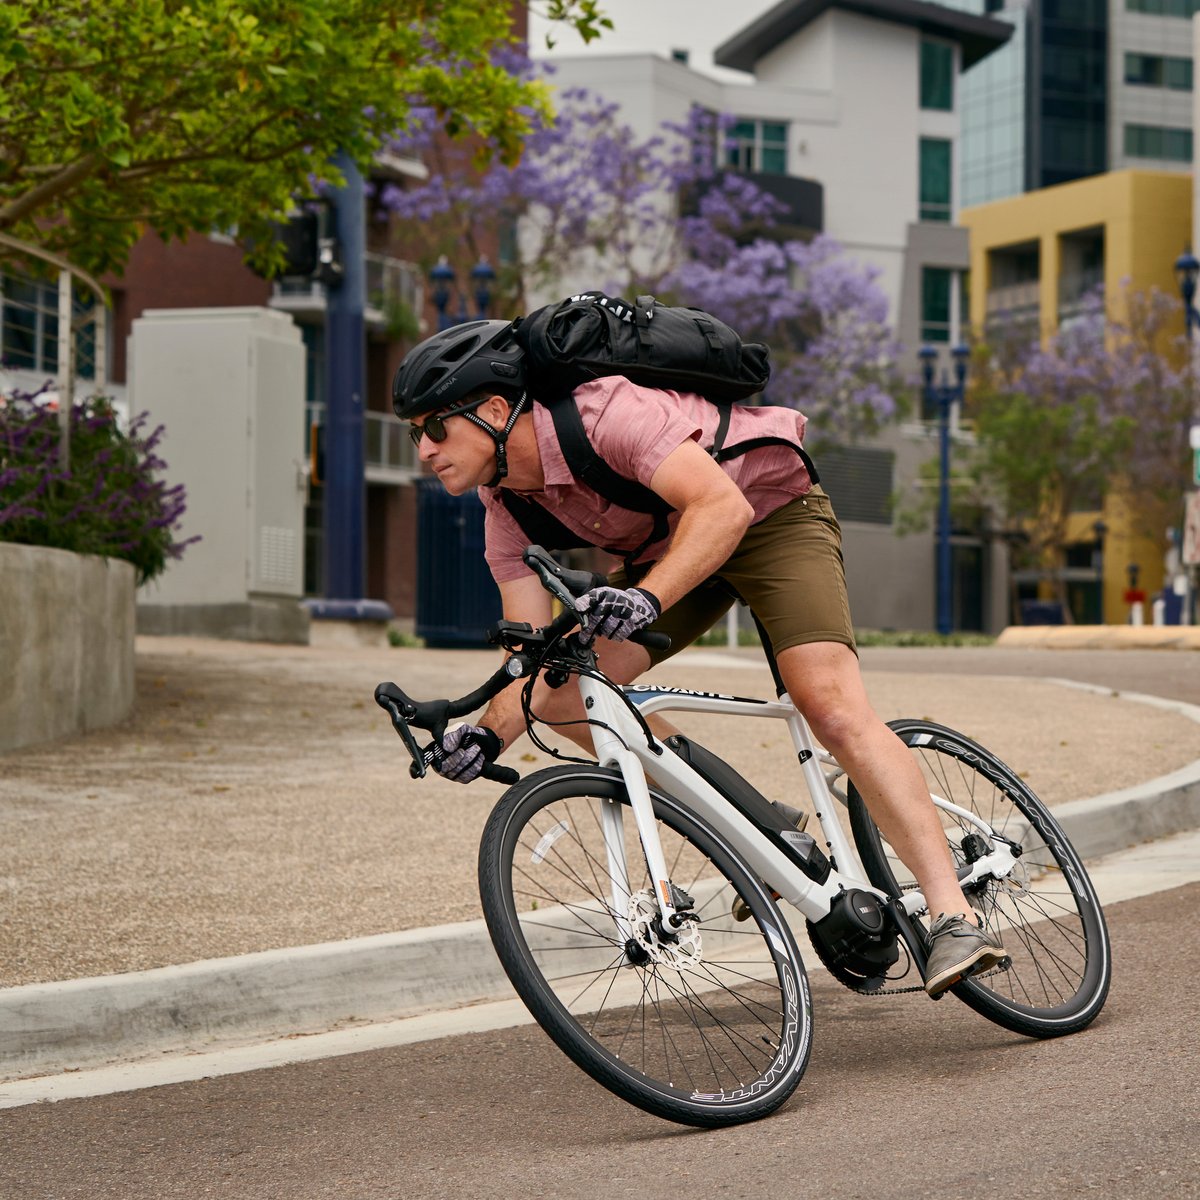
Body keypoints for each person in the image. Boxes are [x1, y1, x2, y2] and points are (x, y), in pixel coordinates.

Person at [392, 318, 1006, 997]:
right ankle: (768, 834)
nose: (423, 448)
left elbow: (722, 507)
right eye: (413, 433)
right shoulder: (504, 511)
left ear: (497, 410)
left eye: (435, 428)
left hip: (769, 516)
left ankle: (953, 914)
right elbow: (533, 662)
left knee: (826, 700)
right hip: (675, 555)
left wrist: (648, 599)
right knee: (566, 694)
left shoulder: (603, 414)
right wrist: (485, 734)